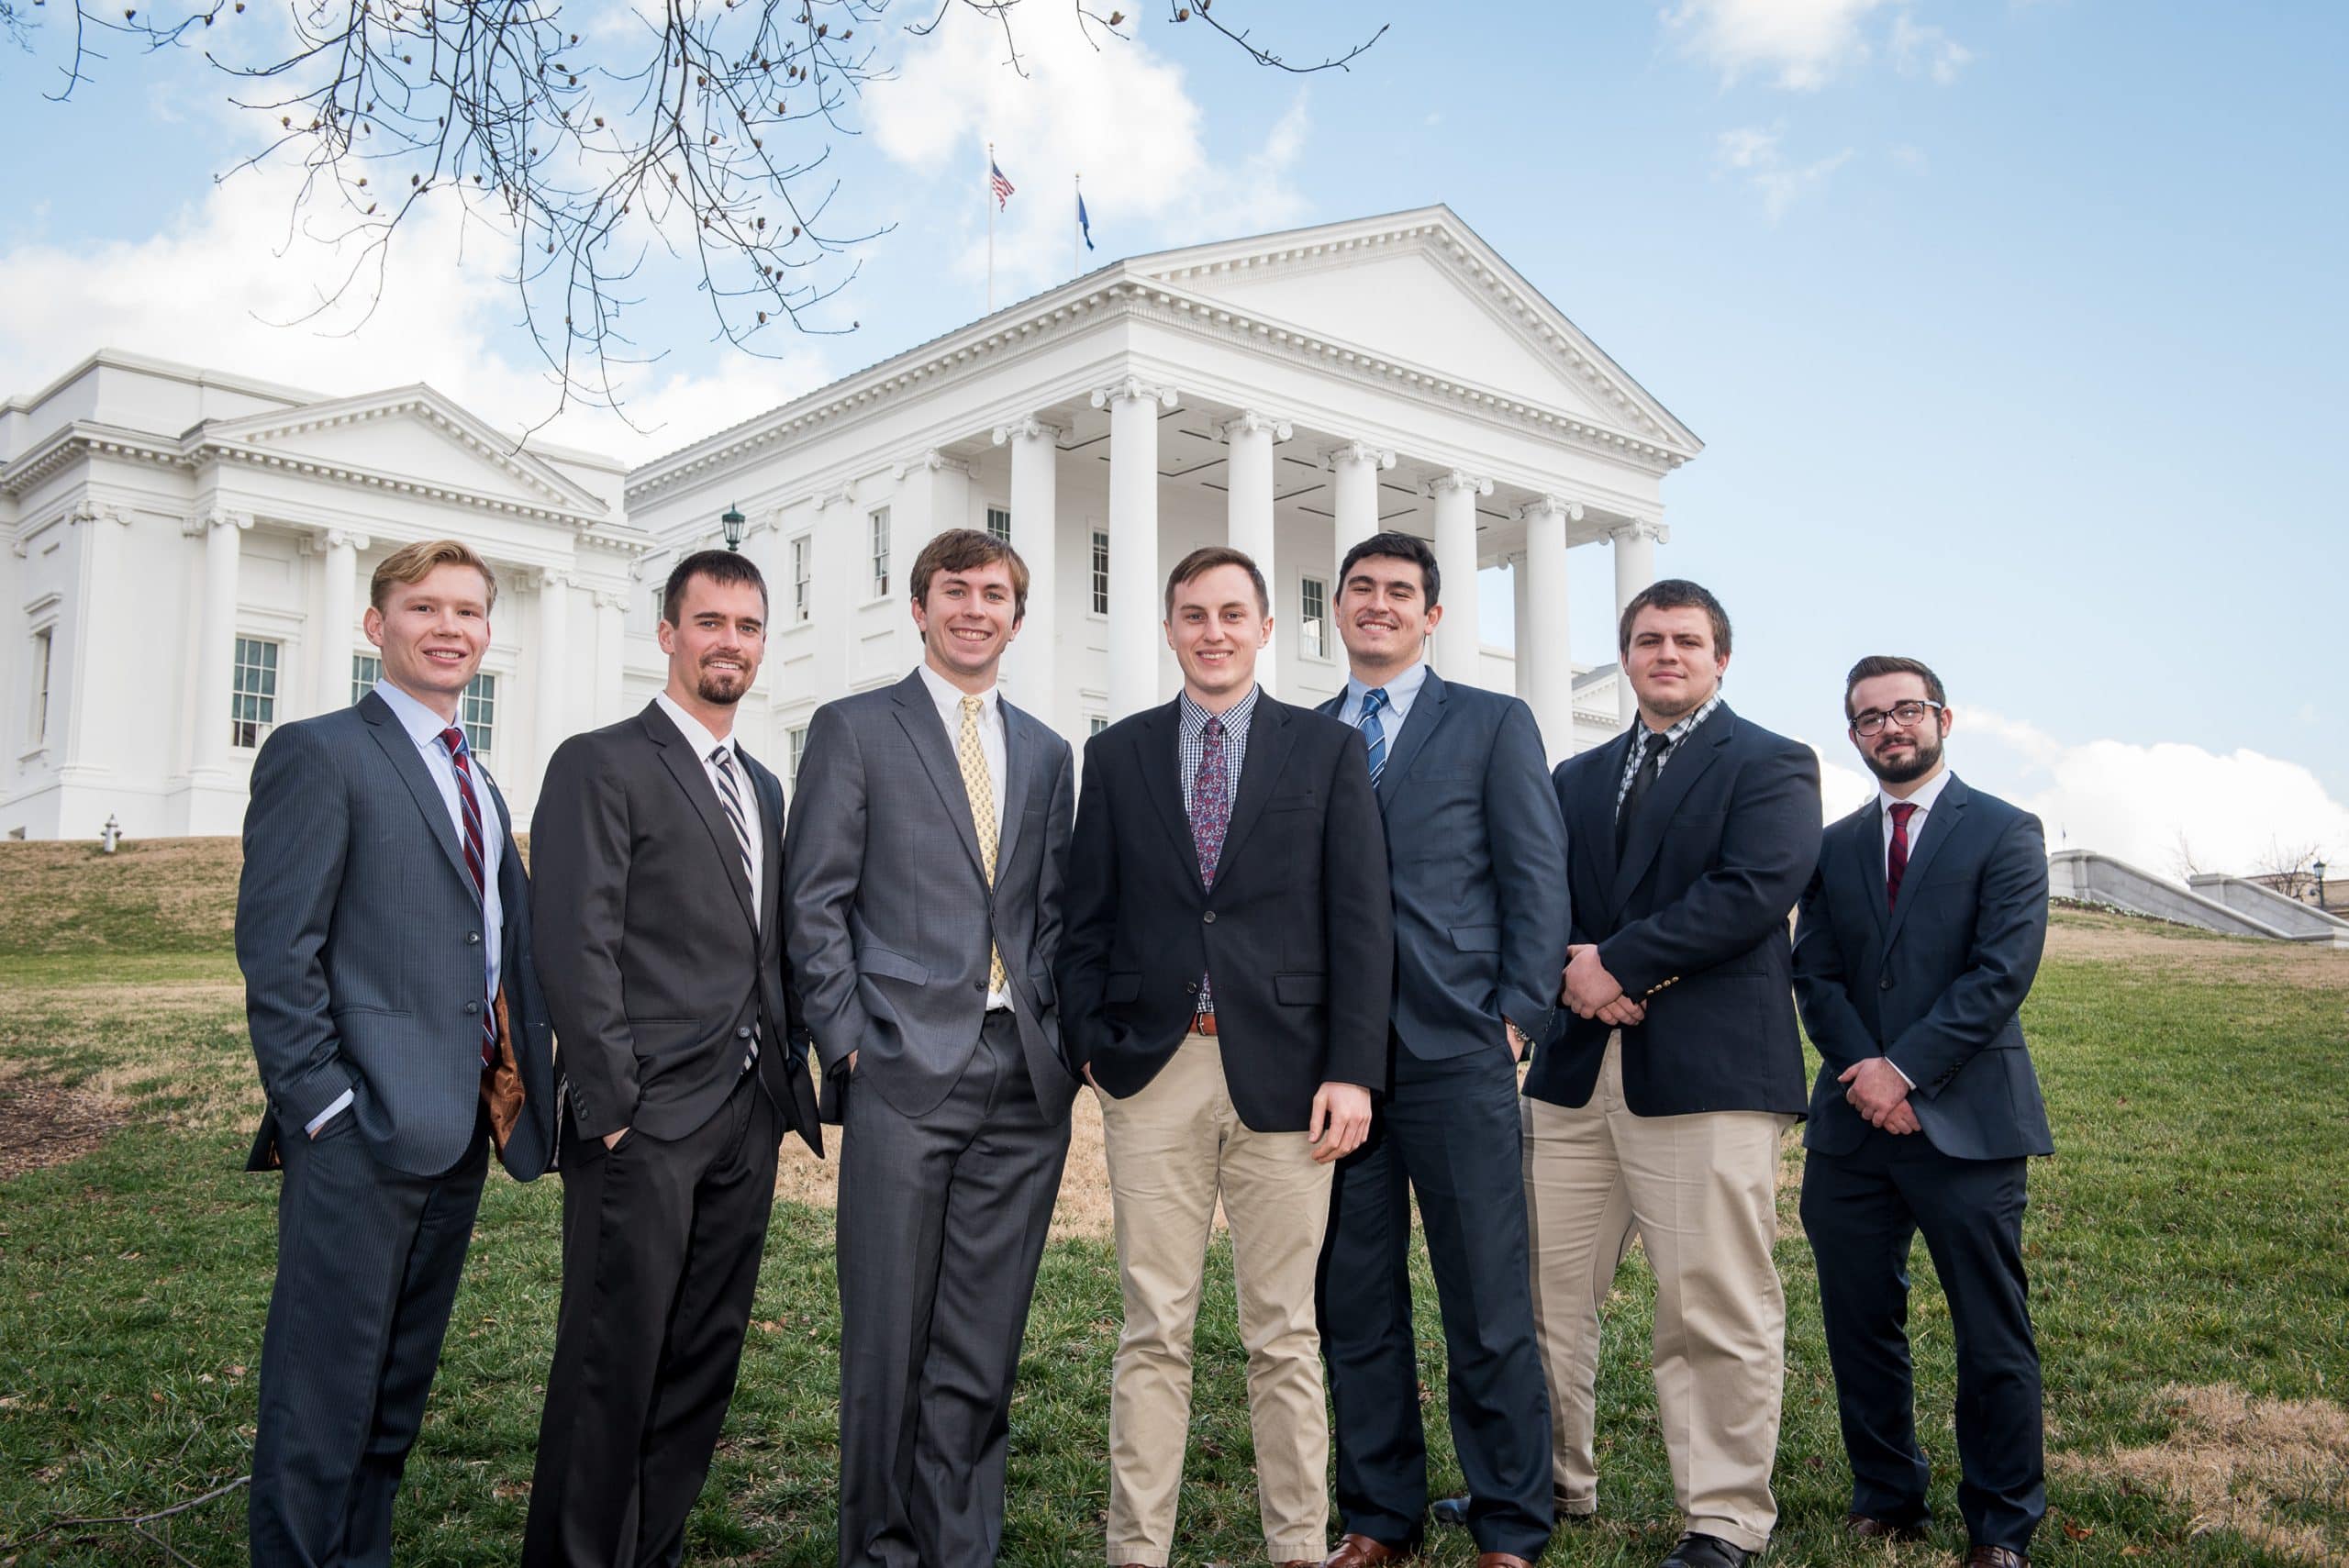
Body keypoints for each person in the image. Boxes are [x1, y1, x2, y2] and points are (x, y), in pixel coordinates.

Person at [1057, 546, 1393, 1568]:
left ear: (1265, 629)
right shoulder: (1116, 755)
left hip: (1291, 1077)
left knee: (1282, 1327)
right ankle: (1136, 1549)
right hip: (1154, 1072)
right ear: (1168, 628)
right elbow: (1085, 917)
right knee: (1152, 1321)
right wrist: (1092, 1043)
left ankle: (1295, 1544)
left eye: (1232, 612)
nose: (1213, 629)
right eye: (1194, 613)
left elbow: (1360, 920)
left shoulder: (1326, 751)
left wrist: (1351, 1066)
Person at [236, 538, 558, 1567]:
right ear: (378, 627)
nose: (450, 626)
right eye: (425, 607)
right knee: (321, 1400)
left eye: (467, 610)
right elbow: (279, 954)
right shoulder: (321, 752)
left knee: (389, 1401)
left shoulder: (480, 779)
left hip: (457, 1129)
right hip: (358, 1135)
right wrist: (319, 1108)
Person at [782, 528, 1079, 1568]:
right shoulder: (855, 728)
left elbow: (1045, 911)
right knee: (887, 1341)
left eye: (994, 593)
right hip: (901, 1072)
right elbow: (813, 900)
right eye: (954, 590)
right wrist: (849, 1045)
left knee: (981, 1342)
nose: (973, 608)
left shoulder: (1047, 750)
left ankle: (963, 1546)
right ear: (919, 606)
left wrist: (1060, 1037)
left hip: (1022, 1083)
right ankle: (880, 1548)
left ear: (1015, 614)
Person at [522, 548, 822, 1568]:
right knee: (612, 1358)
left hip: (747, 1112)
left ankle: (649, 1547)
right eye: (709, 622)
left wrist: (786, 1077)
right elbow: (575, 940)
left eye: (746, 626)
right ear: (667, 633)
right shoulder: (600, 761)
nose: (728, 642)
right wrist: (608, 1103)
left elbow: (766, 941)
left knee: (701, 1355)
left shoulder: (767, 786)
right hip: (641, 1117)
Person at [1524, 578, 1821, 1568]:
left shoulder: (1773, 764)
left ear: (1720, 657)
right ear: (1625, 655)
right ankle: (1549, 1480)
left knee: (1710, 1302)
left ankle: (1723, 1518)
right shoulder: (1573, 775)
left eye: (1686, 640)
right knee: (1541, 1292)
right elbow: (1536, 891)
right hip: (1573, 1071)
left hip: (1707, 1072)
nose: (1666, 653)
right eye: (1647, 639)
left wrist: (1618, 962)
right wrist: (1578, 971)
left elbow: (1751, 889)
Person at [1310, 531, 1568, 1568]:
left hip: (1458, 1045)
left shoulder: (1494, 722)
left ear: (1433, 614)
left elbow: (1537, 878)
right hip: (1335, 1061)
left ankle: (1509, 1520)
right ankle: (1379, 1514)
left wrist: (1514, 1013)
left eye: (1400, 591)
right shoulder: (1309, 733)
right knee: (1354, 1296)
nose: (1379, 604)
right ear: (1336, 608)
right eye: (1361, 589)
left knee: (1486, 1296)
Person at [1793, 656, 2053, 1568]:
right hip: (1850, 1129)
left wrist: (1902, 1071)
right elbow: (1813, 972)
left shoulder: (2006, 831)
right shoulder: (1831, 845)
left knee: (1991, 1329)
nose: (1887, 727)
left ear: (1943, 716)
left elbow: (1999, 973)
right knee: (1859, 1319)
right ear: (1853, 734)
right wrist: (1863, 1069)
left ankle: (2001, 1520)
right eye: (1867, 717)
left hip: (1970, 1123)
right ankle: (1887, 1493)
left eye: (1904, 709)